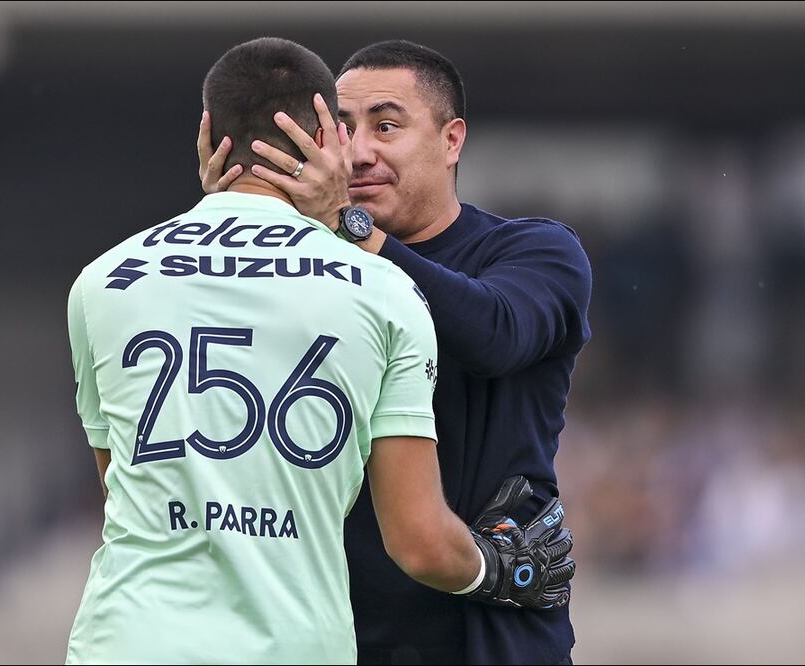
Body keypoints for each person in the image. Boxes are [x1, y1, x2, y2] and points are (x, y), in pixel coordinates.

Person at [65, 37, 572, 665]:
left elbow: (495, 335)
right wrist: (242, 220)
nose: (358, 153)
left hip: (485, 636)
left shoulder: (536, 251)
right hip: (340, 631)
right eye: (341, 127)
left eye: (386, 126)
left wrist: (346, 227)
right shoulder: (337, 278)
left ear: (451, 140)